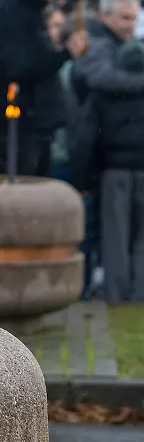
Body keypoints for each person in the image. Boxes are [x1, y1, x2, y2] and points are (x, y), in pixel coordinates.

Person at [0, 0, 88, 177]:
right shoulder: (13, 15)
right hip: (21, 120)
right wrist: (65, 54)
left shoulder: (33, 11)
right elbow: (20, 67)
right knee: (24, 184)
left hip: (37, 119)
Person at [69, 41, 144, 302]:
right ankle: (140, 290)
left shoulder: (104, 92)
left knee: (115, 235)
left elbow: (86, 139)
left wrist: (82, 178)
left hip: (114, 170)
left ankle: (116, 291)